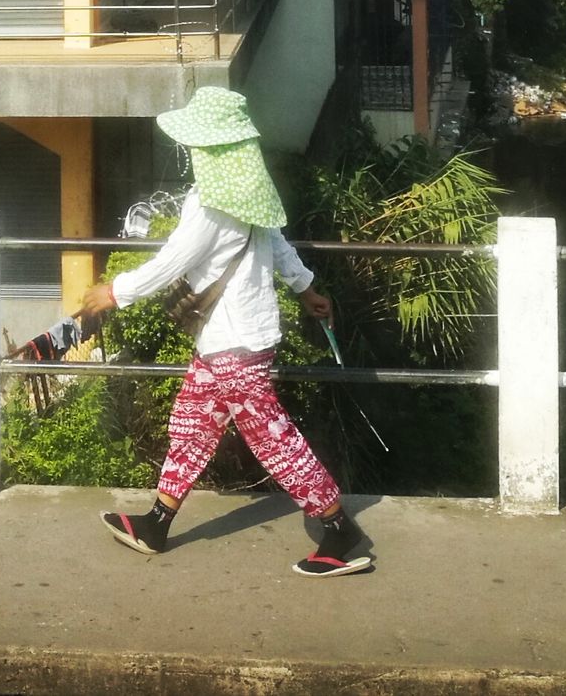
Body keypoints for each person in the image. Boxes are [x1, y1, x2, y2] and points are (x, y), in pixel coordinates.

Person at [81, 86, 372, 578]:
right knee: (192, 425)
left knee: (272, 439)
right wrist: (305, 288)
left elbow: (175, 259)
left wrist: (115, 291)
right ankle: (156, 522)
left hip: (234, 343)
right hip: (229, 338)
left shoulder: (210, 203)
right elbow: (276, 243)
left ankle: (339, 529)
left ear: (209, 147)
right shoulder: (248, 191)